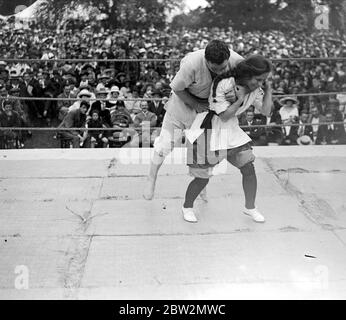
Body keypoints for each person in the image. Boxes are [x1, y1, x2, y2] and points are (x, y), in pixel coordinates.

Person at [144, 40, 243, 200]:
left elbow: (248, 82)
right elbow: (176, 88)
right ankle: (151, 178)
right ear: (206, 60)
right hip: (181, 104)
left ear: (228, 58)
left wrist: (235, 95)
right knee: (165, 143)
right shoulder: (192, 63)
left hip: (208, 108)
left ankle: (201, 186)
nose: (219, 72)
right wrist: (195, 104)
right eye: (214, 68)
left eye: (223, 68)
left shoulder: (237, 61)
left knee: (202, 151)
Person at [182, 55, 273, 223]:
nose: (260, 84)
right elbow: (223, 115)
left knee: (248, 169)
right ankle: (187, 206)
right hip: (210, 130)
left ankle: (250, 207)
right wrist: (240, 98)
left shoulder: (257, 88)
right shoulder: (223, 83)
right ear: (248, 74)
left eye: (263, 81)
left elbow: (267, 112)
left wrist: (268, 91)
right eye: (259, 80)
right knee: (203, 178)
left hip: (231, 130)